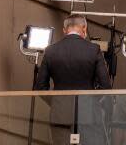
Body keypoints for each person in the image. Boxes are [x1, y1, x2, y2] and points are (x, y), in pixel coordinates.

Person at [34, 14, 112, 145]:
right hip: (88, 114)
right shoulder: (93, 50)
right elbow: (106, 86)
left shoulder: (51, 51)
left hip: (60, 114)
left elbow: (40, 87)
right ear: (84, 28)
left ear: (64, 30)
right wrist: (91, 101)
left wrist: (57, 101)